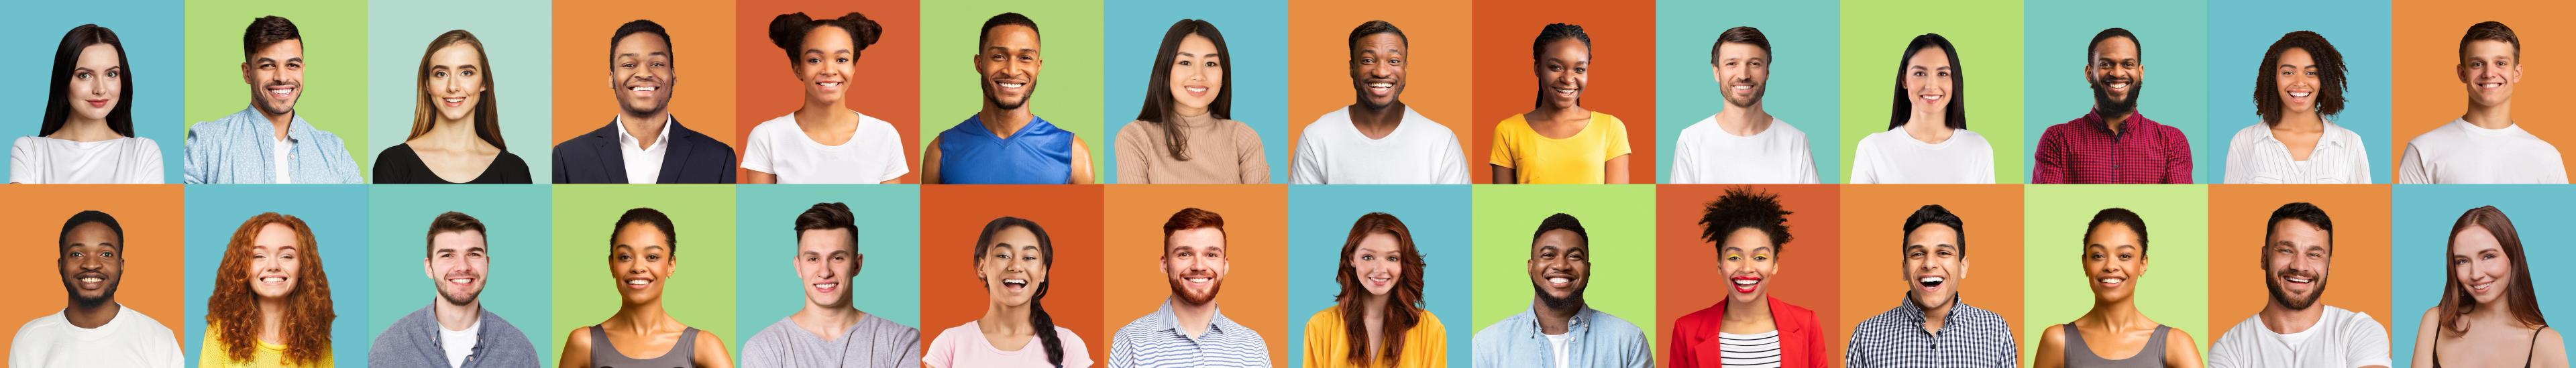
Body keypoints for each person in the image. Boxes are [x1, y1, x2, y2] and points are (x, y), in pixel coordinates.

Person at [551, 20, 739, 184]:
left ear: (673, 75)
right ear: (611, 77)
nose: (644, 73)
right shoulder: (568, 157)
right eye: (629, 65)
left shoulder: (718, 158)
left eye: (657, 64)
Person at [2207, 203, 2391, 368]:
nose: (2299, 266)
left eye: (2314, 254)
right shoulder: (2229, 350)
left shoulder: (2358, 331)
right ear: (2264, 258)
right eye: (2286, 250)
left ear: (2329, 265)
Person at [182, 16, 362, 184]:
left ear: (303, 69)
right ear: (247, 73)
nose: (282, 77)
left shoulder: (334, 151)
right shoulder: (207, 143)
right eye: (268, 65)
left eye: (292, 65)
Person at [1287, 21, 1470, 184]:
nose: (1381, 72)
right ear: (1352, 68)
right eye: (1368, 60)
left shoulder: (1440, 141)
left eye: (1393, 61)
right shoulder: (1317, 137)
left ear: (1405, 68)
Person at [741, 202, 922, 367]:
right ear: (798, 267)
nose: (825, 272)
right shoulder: (764, 348)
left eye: (837, 258)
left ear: (857, 265)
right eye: (813, 259)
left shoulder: (901, 342)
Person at [923, 13, 1095, 184]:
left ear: (1038, 66)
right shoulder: (939, 151)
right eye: (999, 56)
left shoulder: (1074, 153)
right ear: (979, 63)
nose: (1012, 71)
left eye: (1025, 58)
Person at [743, 13, 908, 184]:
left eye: (842, 59)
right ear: (798, 68)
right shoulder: (767, 136)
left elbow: (890, 210)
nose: (829, 70)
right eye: (814, 60)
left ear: (853, 67)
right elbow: (761, 210)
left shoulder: (884, 135)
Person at [557, 208, 735, 368]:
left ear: (671, 265)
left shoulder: (704, 346)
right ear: (612, 265)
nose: (638, 267)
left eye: (652, 256)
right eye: (625, 257)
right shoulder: (583, 343)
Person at [1668, 188, 1823, 367]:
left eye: (1760, 258)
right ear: (1719, 263)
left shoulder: (1807, 324)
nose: (1747, 268)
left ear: (1775, 264)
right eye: (1734, 257)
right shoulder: (1686, 329)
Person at [2398, 21, 2569, 184]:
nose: (2489, 73)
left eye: (2500, 63)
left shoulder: (2547, 157)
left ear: (2517, 73)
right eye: (2478, 64)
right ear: (2462, 73)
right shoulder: (2423, 150)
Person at [1472, 213, 1651, 367]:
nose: (1561, 265)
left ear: (1588, 269)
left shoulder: (1629, 341)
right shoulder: (1487, 345)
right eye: (1549, 255)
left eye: (1574, 256)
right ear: (1531, 267)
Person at [1846, 204, 2015, 367]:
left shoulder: (1996, 331)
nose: (1929, 263)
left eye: (1943, 253)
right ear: (1904, 268)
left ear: (1963, 266)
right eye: (1918, 254)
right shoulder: (1866, 336)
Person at [9, 210, 183, 367]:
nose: (91, 264)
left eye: (106, 254)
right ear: (61, 265)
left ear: (121, 265)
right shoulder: (29, 340)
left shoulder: (159, 340)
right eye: (77, 254)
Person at [366, 212, 541, 367]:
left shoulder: (519, 351)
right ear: (429, 267)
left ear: (487, 264)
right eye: (448, 255)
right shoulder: (389, 349)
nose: (462, 267)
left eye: (473, 254)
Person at [2034, 208, 2204, 367]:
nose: (2110, 266)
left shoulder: (2176, 343)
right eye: (2098, 256)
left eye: (2124, 256)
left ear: (2143, 264)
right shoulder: (2057, 340)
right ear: (2085, 264)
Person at [1106, 208, 1270, 367]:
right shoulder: (1129, 341)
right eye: (1185, 254)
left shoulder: (1253, 347)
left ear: (1225, 265)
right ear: (1165, 264)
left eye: (1211, 255)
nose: (1199, 266)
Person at [2408, 206, 2568, 367]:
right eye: (2462, 261)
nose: (2476, 274)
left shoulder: (2548, 343)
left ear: (2513, 258)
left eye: (2488, 256)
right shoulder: (2435, 322)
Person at [1114, 19, 1268, 184]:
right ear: (1165, 70)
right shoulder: (1136, 138)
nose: (1199, 75)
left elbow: (1261, 208)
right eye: (1185, 62)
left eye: (1210, 63)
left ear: (1223, 76)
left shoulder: (1244, 139)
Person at [925, 217, 1093, 367]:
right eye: (1003, 255)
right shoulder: (950, 344)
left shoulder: (1070, 346)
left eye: (1029, 258)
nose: (1016, 266)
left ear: (1042, 272)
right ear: (981, 266)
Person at [2034, 28, 2192, 184]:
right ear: (2089, 73)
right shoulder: (2057, 140)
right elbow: (2047, 208)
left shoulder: (2171, 142)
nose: (2117, 73)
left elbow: (2181, 208)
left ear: (2140, 72)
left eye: (2128, 64)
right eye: (2106, 64)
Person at [374, 30, 532, 184]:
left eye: (466, 73)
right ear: (427, 84)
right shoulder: (392, 163)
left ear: (483, 82)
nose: (453, 87)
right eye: (441, 74)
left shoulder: (514, 169)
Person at [12, 24, 163, 184]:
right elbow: (19, 210)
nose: (100, 89)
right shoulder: (31, 151)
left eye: (111, 74)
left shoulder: (143, 152)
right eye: (84, 75)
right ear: (64, 79)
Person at [1669, 26, 1819, 184]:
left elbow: (1813, 209)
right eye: (1732, 64)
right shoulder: (1691, 141)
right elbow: (1680, 209)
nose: (1743, 75)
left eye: (1754, 64)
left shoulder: (1796, 142)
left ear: (1767, 71)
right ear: (1716, 72)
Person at [1489, 23, 1632, 184]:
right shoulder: (1508, 131)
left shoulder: (1611, 128)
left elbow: (1618, 205)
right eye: (1556, 67)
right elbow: (1503, 206)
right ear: (1538, 68)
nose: (1568, 79)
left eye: (1579, 69)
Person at [2224, 31, 2373, 184]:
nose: (2300, 82)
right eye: (2288, 72)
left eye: (2311, 73)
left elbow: (2366, 207)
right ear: (2273, 78)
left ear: (2324, 80)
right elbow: (2229, 206)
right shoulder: (2244, 142)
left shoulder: (2350, 143)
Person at [1302, 212, 1448, 367]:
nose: (1380, 270)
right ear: (1352, 259)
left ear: (1404, 263)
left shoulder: (1430, 329)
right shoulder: (1320, 326)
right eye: (1368, 257)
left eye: (1392, 258)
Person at [1850, 34, 1995, 184]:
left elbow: (1989, 209)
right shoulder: (1872, 150)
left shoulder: (1978, 150)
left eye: (1943, 74)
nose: (1931, 86)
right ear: (1904, 79)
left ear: (1955, 81)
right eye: (1920, 73)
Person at [199, 212, 337, 367]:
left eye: (286, 256)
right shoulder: (221, 334)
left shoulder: (318, 344)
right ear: (243, 267)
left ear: (303, 267)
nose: (273, 266)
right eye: (259, 256)